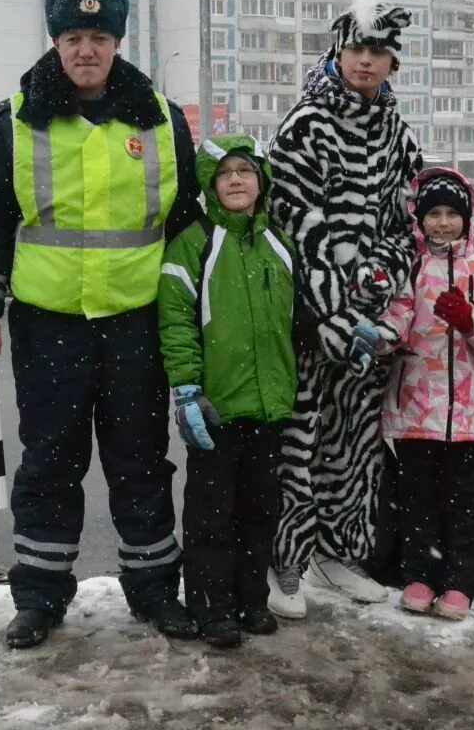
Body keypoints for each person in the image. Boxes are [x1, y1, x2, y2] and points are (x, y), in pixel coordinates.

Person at [0, 0, 203, 649]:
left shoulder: (161, 118)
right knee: (50, 462)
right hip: (48, 322)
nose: (86, 51)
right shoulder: (13, 119)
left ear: (117, 44)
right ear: (56, 44)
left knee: (141, 462)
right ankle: (38, 598)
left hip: (136, 322)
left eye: (98, 39)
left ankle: (154, 591)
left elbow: (185, 222)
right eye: (73, 39)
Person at [265, 0, 423, 619]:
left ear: (392, 62)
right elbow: (288, 220)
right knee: (300, 439)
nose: (366, 61)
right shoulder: (306, 124)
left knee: (354, 442)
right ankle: (287, 563)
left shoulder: (397, 133)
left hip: (372, 317)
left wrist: (380, 280)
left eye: (379, 51)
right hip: (314, 317)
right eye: (358, 47)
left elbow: (410, 217)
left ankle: (338, 552)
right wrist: (335, 299)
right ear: (338, 49)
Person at [157, 135, 297, 648]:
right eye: (225, 173)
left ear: (262, 180)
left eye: (245, 171)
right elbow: (175, 322)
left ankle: (250, 600)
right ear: (210, 184)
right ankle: (211, 608)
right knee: (211, 514)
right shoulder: (193, 244)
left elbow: (297, 320)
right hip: (215, 407)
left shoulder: (278, 243)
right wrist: (188, 389)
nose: (236, 180)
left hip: (269, 405)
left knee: (259, 511)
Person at [378, 167, 474, 620]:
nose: (443, 223)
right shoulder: (411, 268)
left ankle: (460, 584)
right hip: (416, 412)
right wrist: (378, 335)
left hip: (468, 416)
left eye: (451, 214)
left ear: (467, 218)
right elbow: (396, 319)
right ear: (419, 219)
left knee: (463, 505)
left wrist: (471, 321)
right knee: (418, 501)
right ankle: (420, 576)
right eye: (434, 214)